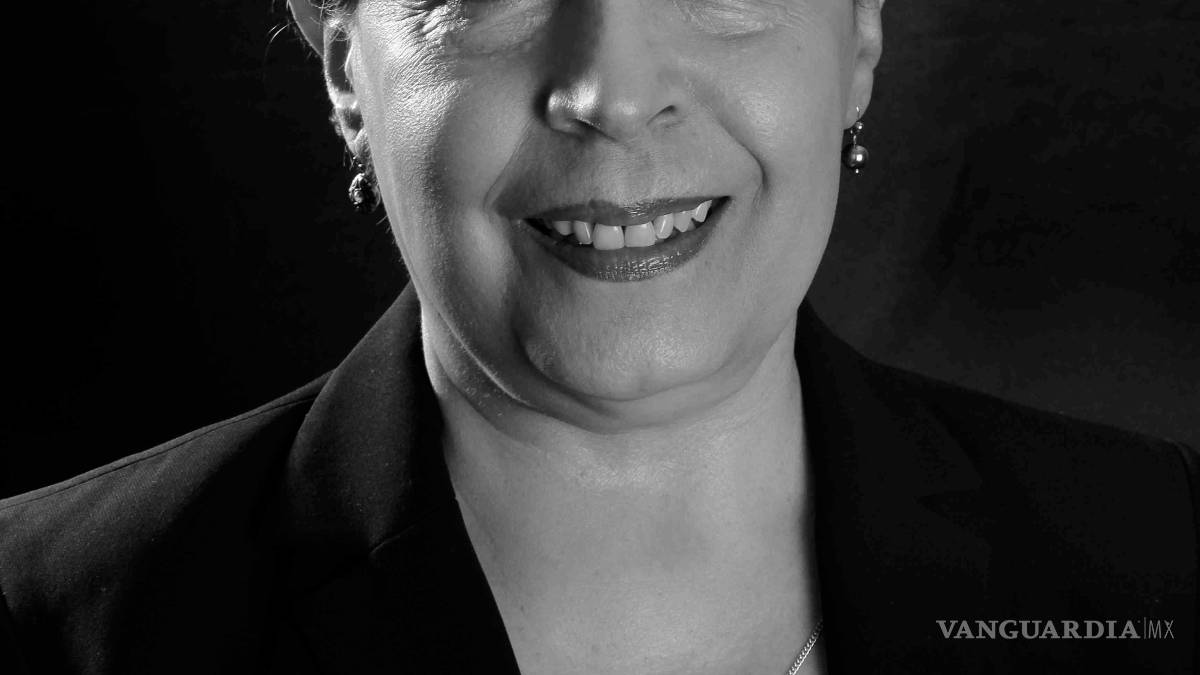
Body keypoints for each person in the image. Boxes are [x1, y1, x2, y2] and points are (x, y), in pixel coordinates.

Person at [0, 0, 1195, 672]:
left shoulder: (1163, 558)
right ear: (350, 77)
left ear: (860, 41)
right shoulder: (40, 624)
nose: (613, 95)